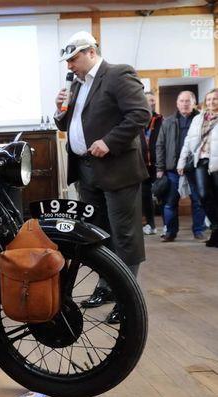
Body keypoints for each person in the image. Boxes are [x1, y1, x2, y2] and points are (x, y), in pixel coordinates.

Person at [54, 31, 150, 324]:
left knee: (124, 235)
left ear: (91, 52)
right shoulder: (77, 84)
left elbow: (140, 114)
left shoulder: (118, 74)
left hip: (117, 168)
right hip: (86, 169)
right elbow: (67, 124)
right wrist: (59, 110)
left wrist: (109, 141)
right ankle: (107, 286)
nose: (69, 66)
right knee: (98, 233)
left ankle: (127, 298)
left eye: (73, 59)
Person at [155, 91, 206, 242]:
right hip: (173, 170)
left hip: (196, 169)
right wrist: (160, 168)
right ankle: (170, 232)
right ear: (177, 103)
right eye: (182, 101)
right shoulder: (168, 122)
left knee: (198, 202)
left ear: (194, 103)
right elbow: (160, 145)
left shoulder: (201, 120)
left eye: (188, 101)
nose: (184, 104)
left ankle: (199, 231)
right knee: (169, 203)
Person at [178, 88, 218, 247]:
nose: (211, 102)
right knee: (203, 195)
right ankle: (216, 226)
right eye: (209, 99)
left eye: (215, 99)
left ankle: (215, 234)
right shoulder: (198, 118)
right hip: (201, 161)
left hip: (217, 163)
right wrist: (181, 162)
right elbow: (188, 141)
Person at [141, 91, 163, 235]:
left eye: (153, 100)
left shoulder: (161, 120)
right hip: (142, 165)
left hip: (158, 164)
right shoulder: (137, 119)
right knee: (145, 195)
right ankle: (150, 224)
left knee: (163, 194)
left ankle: (168, 226)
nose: (152, 103)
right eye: (149, 100)